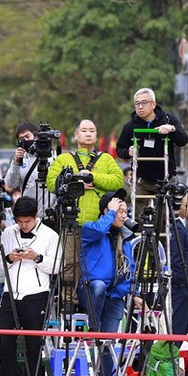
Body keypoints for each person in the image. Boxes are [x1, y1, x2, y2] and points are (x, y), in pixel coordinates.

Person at [0, 196, 59, 376]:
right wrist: (9, 258)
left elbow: (57, 266)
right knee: (5, 342)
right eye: (20, 221)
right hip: (10, 292)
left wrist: (36, 257)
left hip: (37, 293)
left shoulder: (49, 235)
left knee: (34, 344)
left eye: (27, 222)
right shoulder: (7, 233)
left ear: (36, 217)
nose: (23, 225)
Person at [47, 119, 125, 289]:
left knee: (94, 265)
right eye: (84, 130)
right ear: (76, 136)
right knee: (69, 263)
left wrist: (93, 177)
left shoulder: (106, 158)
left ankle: (89, 304)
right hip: (69, 222)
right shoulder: (63, 159)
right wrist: (76, 184)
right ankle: (69, 304)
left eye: (92, 131)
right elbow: (52, 183)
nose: (88, 134)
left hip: (97, 225)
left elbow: (118, 181)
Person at [78, 190, 135, 376]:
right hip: (91, 290)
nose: (124, 215)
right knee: (99, 286)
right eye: (120, 210)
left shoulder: (124, 237)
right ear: (106, 211)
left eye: (126, 211)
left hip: (114, 295)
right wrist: (110, 213)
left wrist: (126, 291)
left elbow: (130, 269)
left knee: (109, 341)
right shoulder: (89, 229)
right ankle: (94, 325)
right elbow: (99, 230)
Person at [115, 88, 188, 215]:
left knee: (164, 219)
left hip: (165, 179)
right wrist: (129, 152)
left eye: (144, 103)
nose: (140, 107)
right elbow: (120, 149)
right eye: (137, 104)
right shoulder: (130, 126)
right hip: (142, 180)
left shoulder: (168, 119)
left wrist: (172, 129)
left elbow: (183, 140)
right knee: (140, 218)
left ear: (153, 104)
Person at [4, 121, 56, 219]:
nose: (26, 140)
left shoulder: (52, 157)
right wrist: (16, 161)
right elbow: (10, 184)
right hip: (29, 216)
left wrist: (55, 209)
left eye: (28, 136)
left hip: (50, 215)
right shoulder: (21, 159)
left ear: (36, 136)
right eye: (22, 139)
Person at [169, 197, 188, 336]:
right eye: (186, 205)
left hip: (187, 282)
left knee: (187, 321)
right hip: (182, 284)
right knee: (179, 324)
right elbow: (176, 257)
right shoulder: (176, 227)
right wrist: (183, 279)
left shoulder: (180, 225)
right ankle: (169, 355)